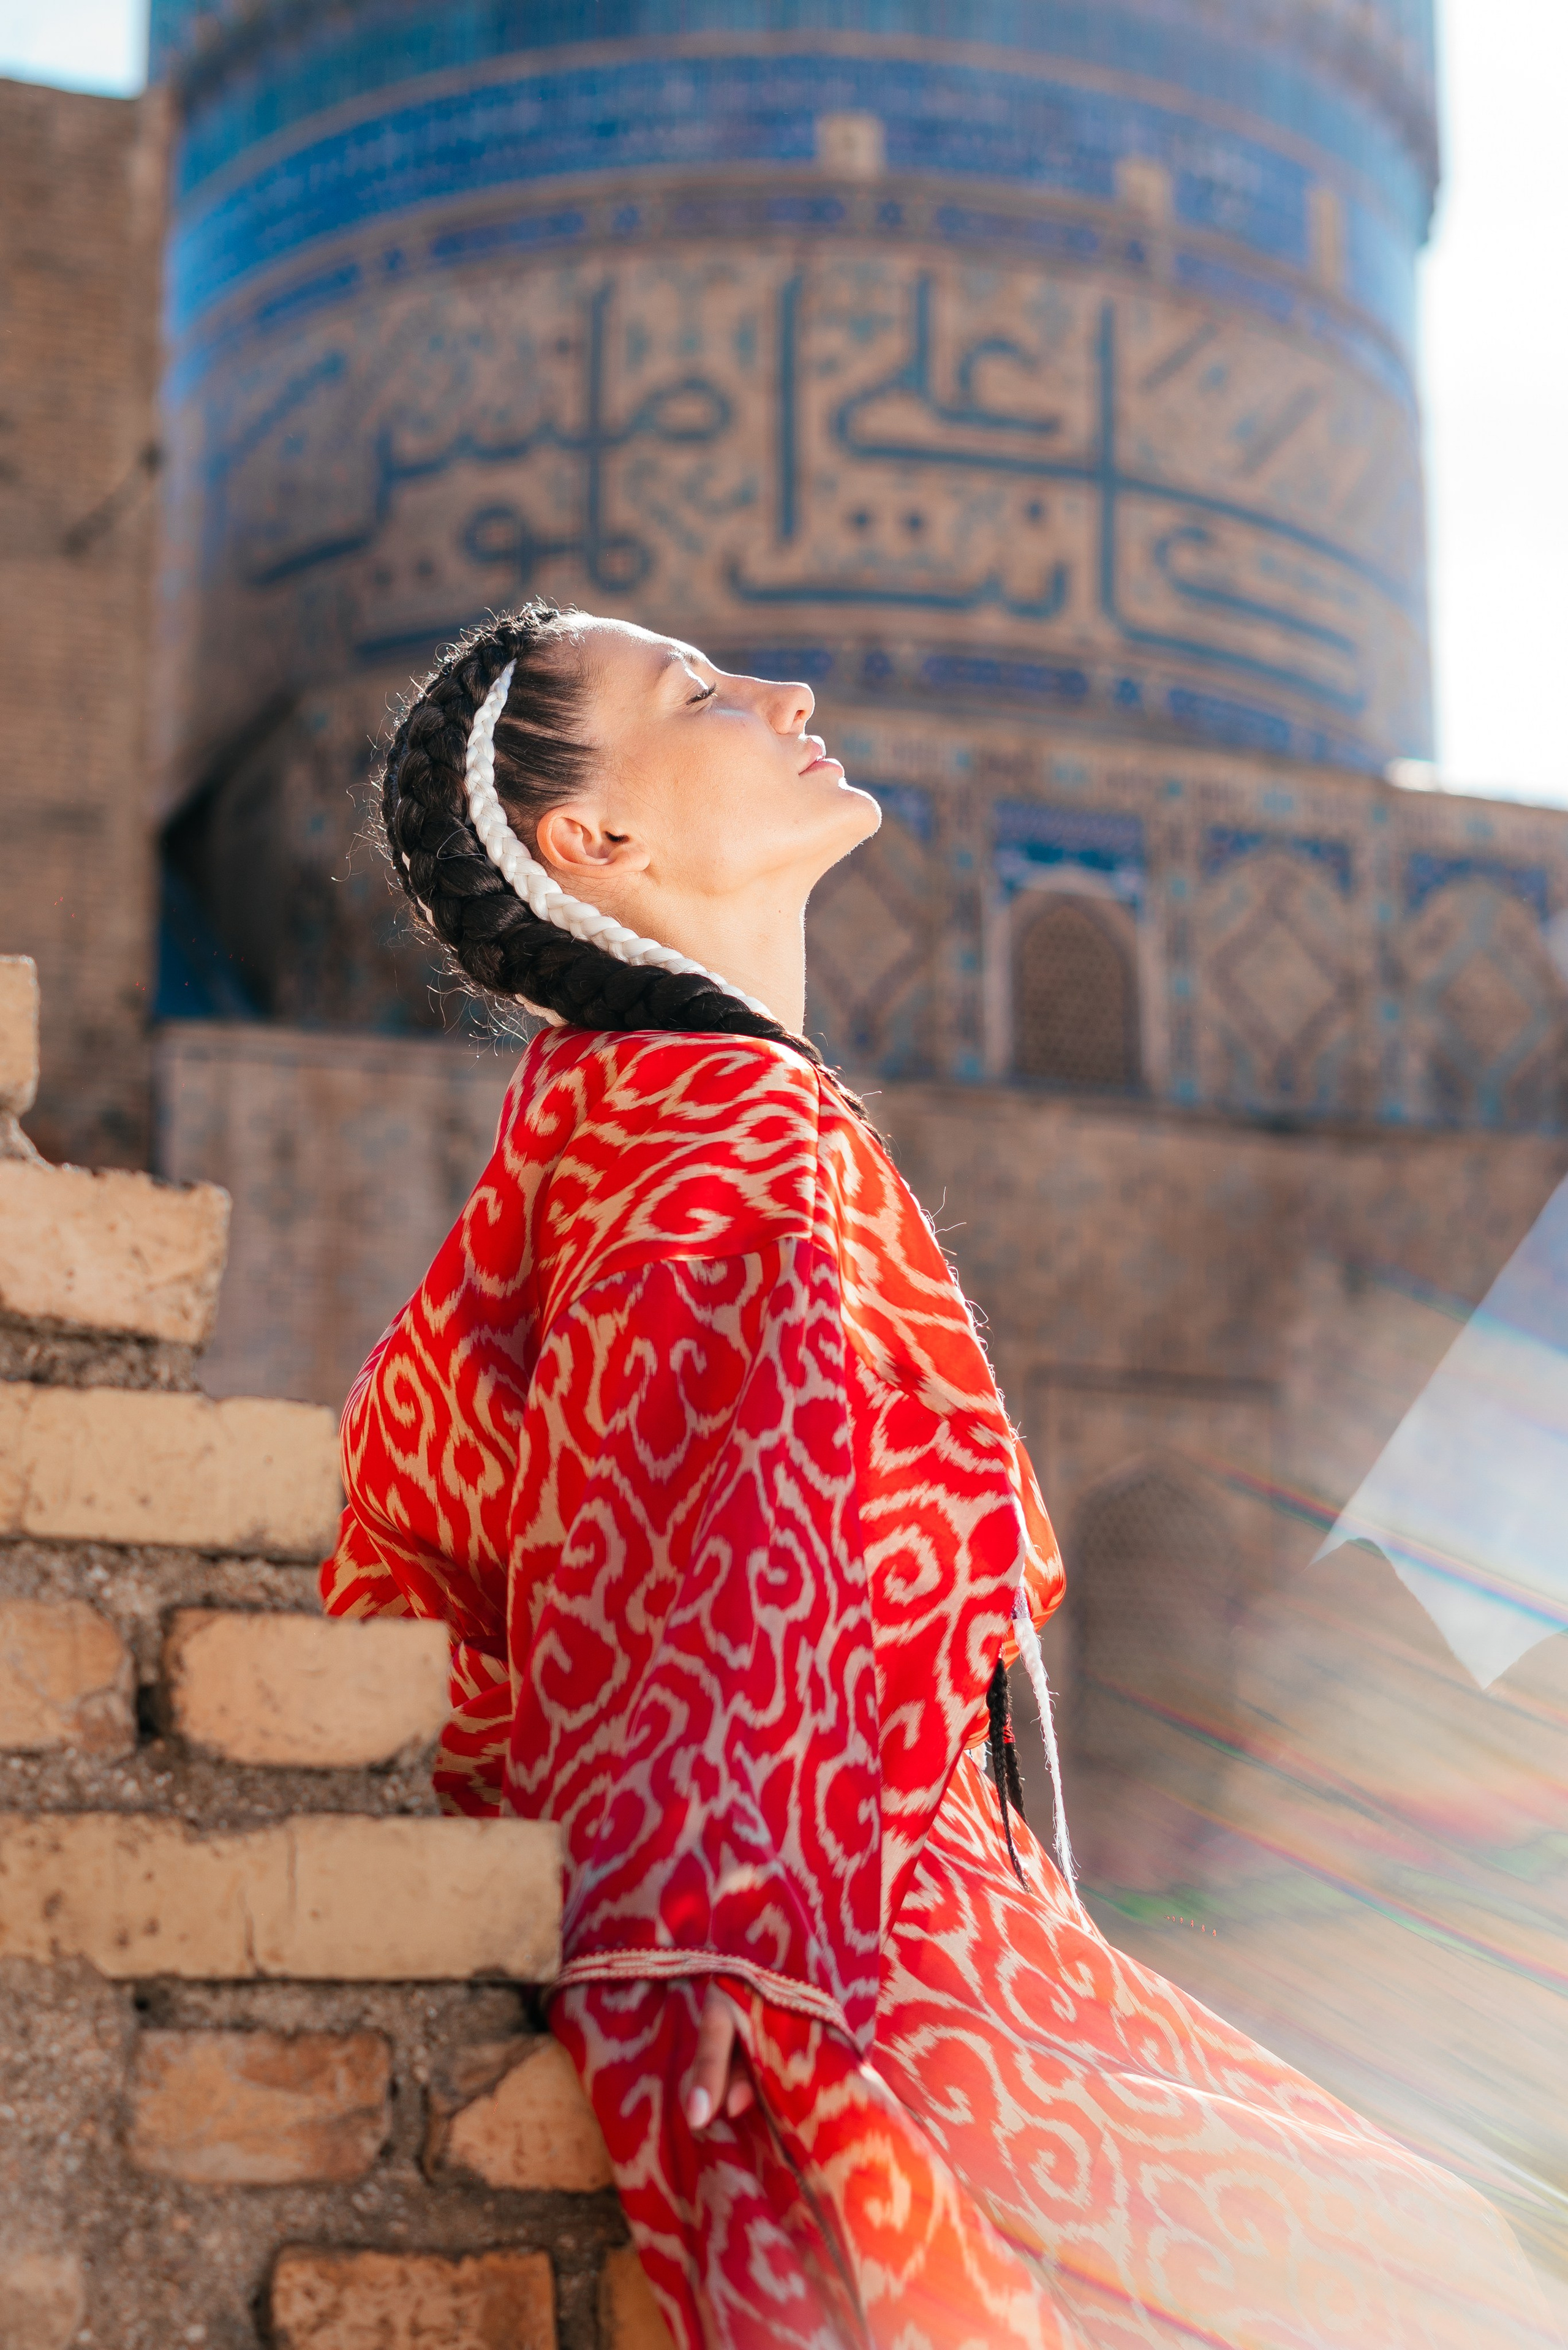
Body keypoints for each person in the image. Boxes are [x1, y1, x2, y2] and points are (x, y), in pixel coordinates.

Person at [321, 600, 1556, 2349]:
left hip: (870, 1931)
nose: (786, 686)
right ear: (593, 839)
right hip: (868, 1967)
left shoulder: (616, 1124)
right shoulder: (726, 1136)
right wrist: (739, 2087)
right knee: (1450, 2288)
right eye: (695, 692)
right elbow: (679, 1681)